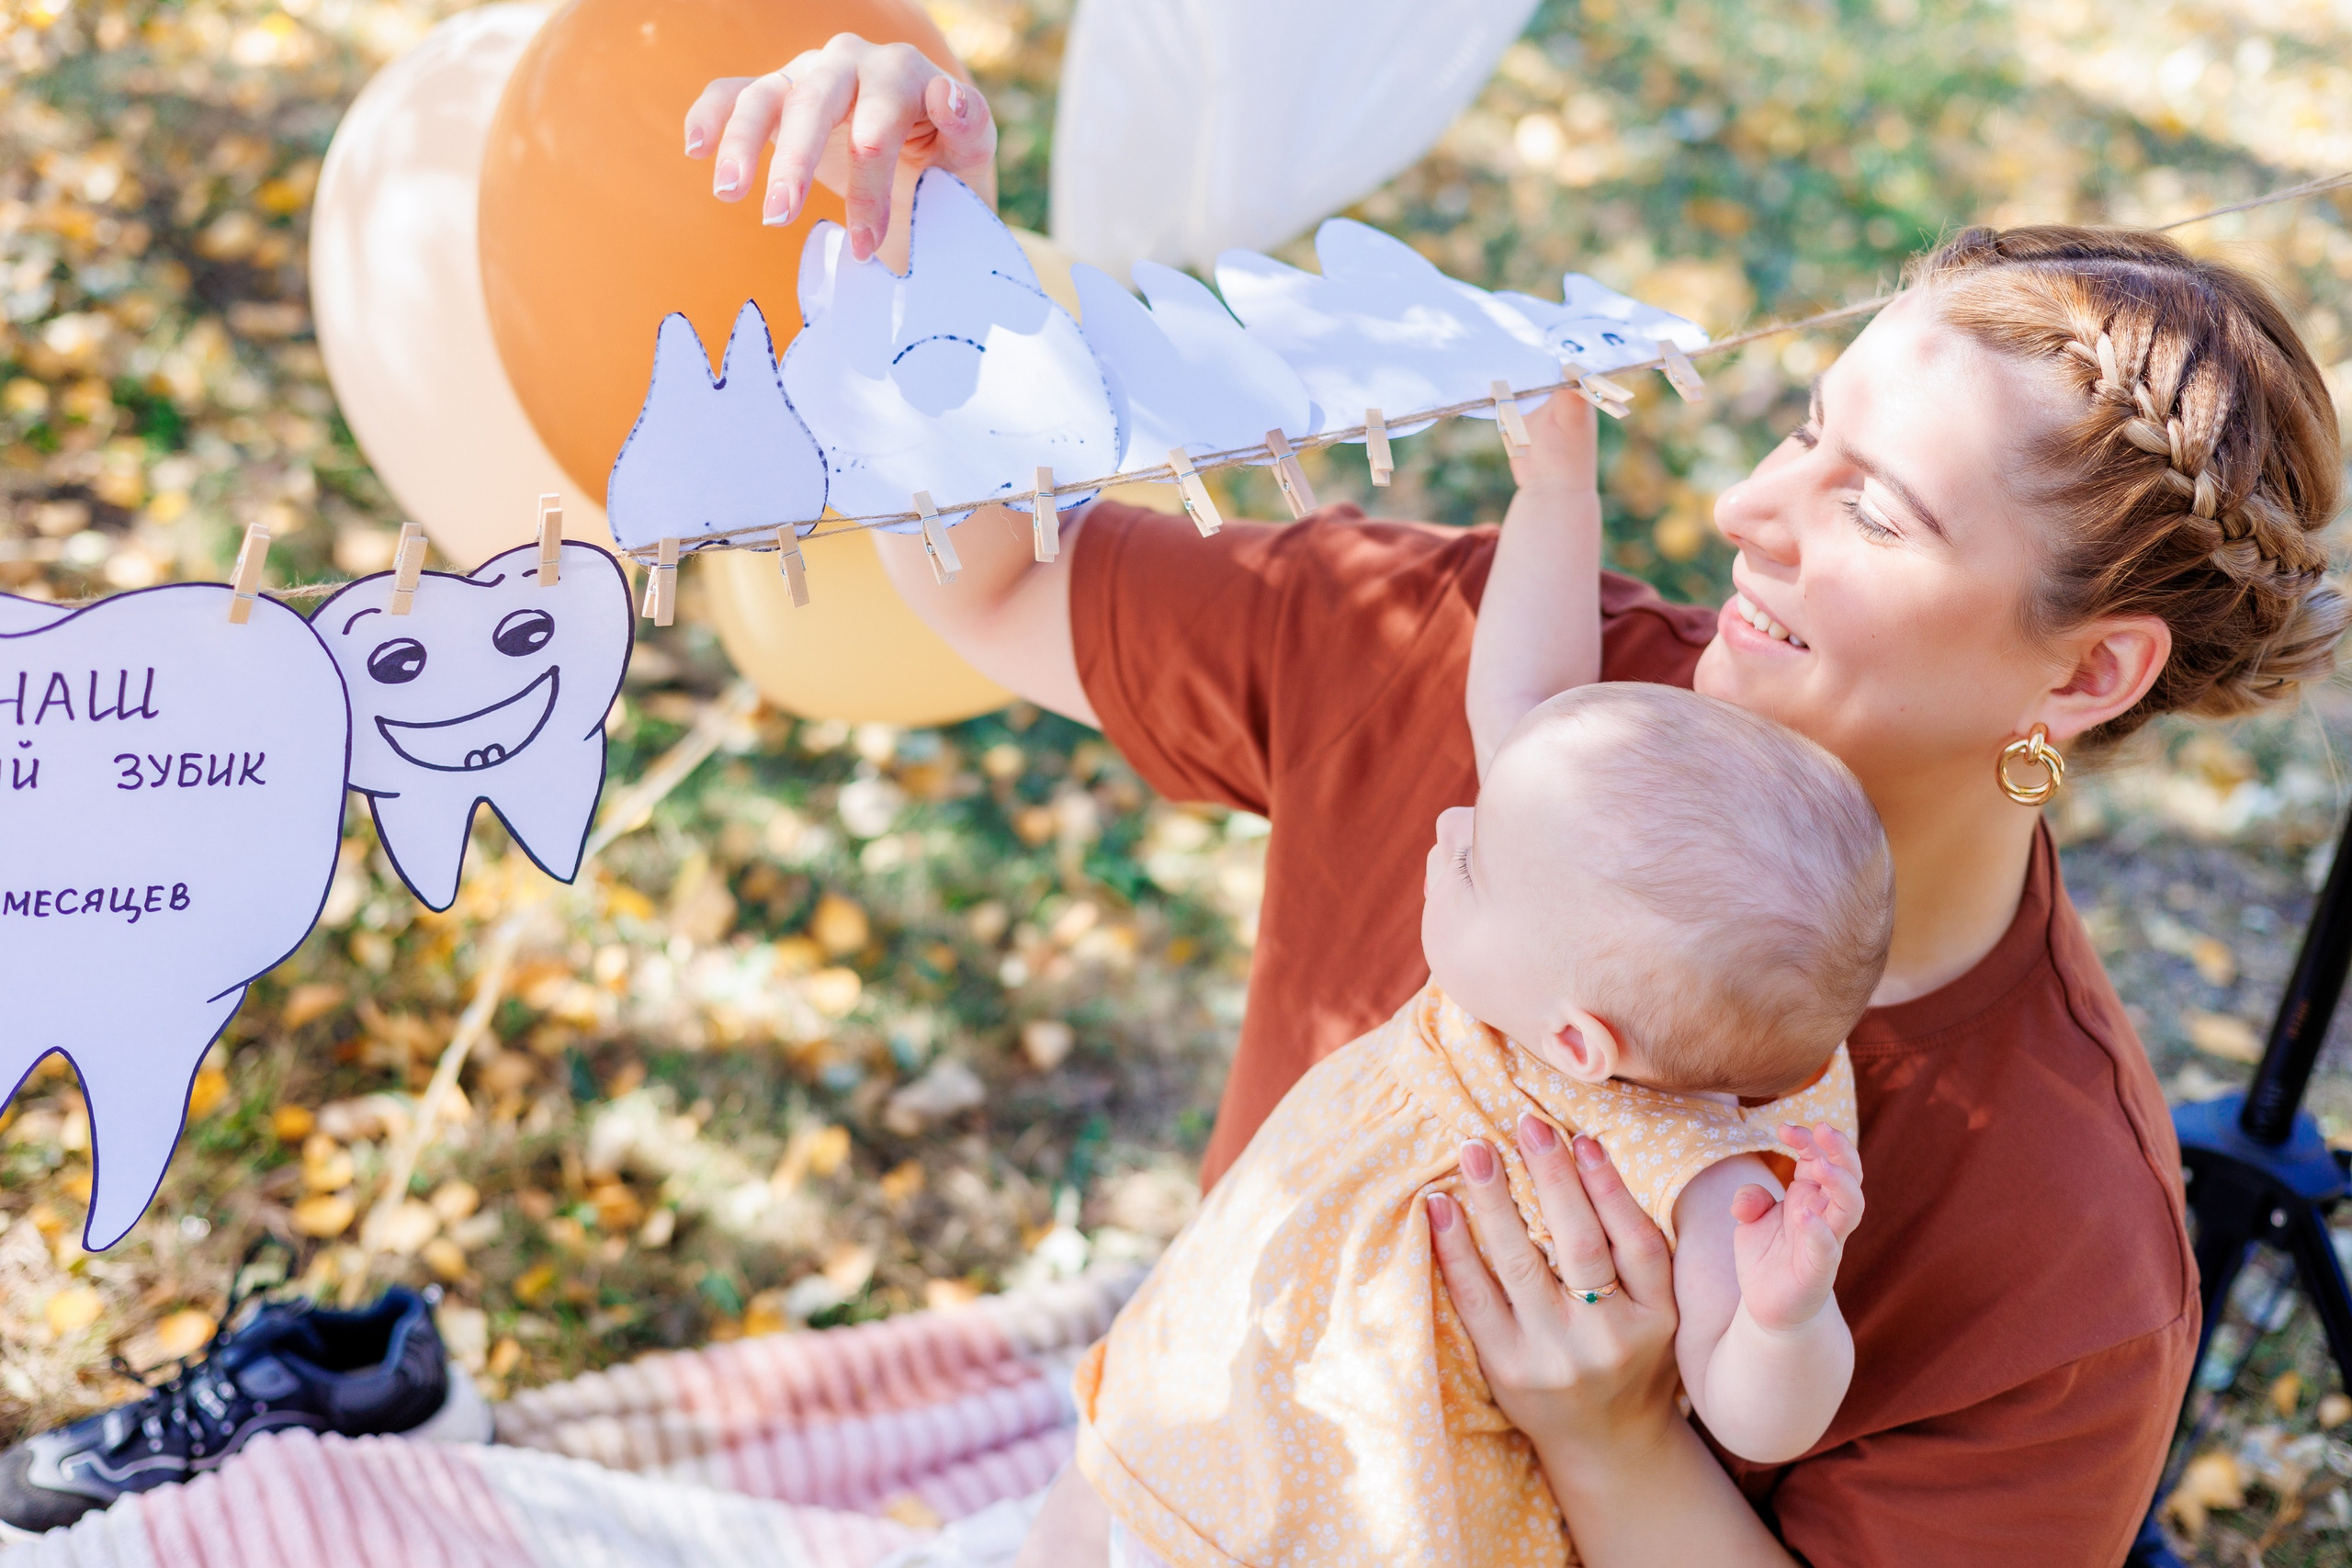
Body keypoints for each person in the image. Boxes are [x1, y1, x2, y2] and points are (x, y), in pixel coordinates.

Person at [687, 52, 2346, 1565]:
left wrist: (1615, 1438)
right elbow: (986, 590)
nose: (1741, 509)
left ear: (2086, 675)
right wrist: (921, 237)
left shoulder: (2065, 1244)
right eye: (1800, 427)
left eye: (1876, 511)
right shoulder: (1488, 671)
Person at [1013, 392, 1890, 1567]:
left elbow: (1750, 1409)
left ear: (1579, 1043)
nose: (1448, 826)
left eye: (1473, 862)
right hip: (1188, 1408)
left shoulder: (1692, 1164)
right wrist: (1554, 491)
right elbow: (1520, 697)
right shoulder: (1567, 937)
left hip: (1343, 1526)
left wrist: (1788, 1319)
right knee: (1075, 1515)